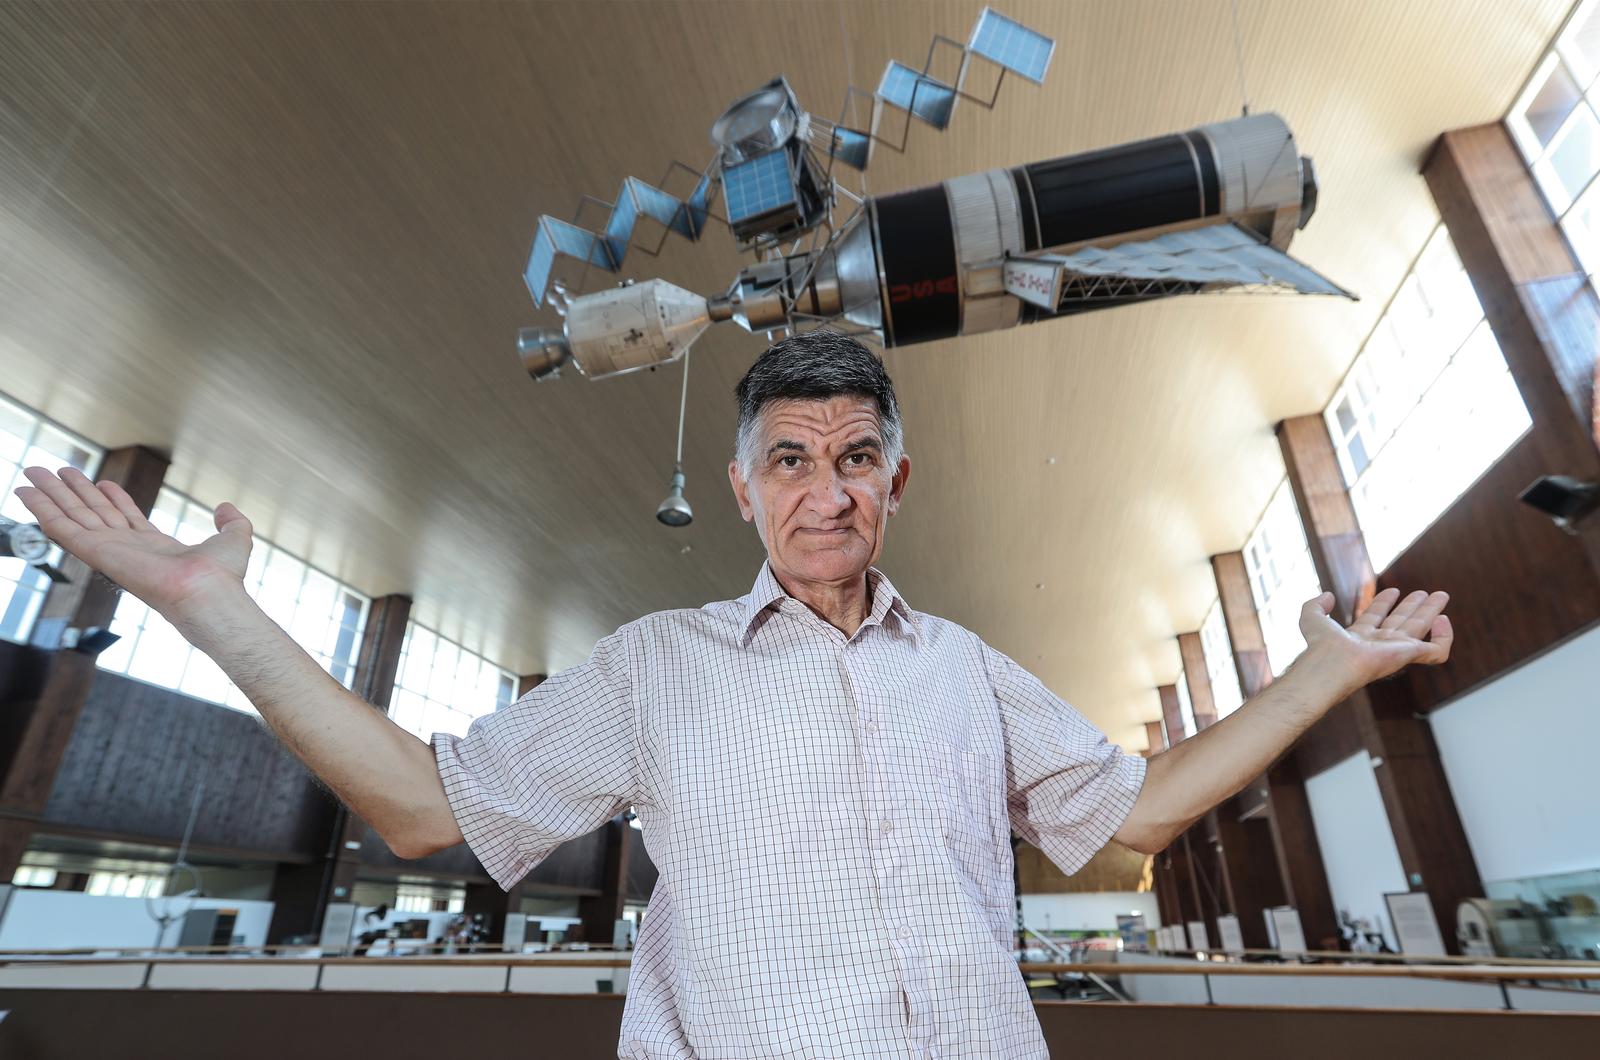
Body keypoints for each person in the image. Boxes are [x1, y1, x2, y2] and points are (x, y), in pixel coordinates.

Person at [15, 331, 1453, 1059]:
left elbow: (1133, 811)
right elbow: (417, 808)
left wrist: (1330, 669)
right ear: (742, 488)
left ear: (896, 479)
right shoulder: (656, 667)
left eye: (855, 459)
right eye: (790, 460)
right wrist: (210, 607)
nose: (826, 494)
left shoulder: (966, 669)